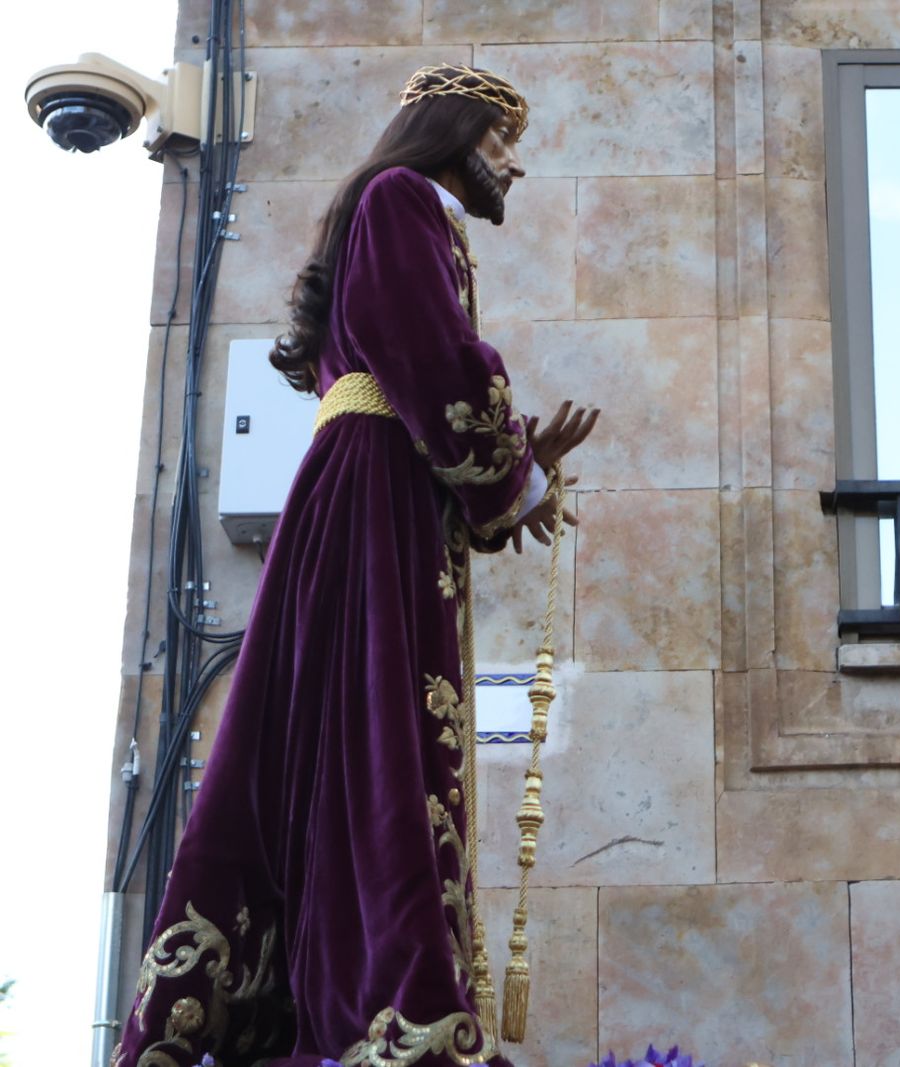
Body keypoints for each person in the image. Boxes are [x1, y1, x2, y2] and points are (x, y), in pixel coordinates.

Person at [114, 64, 596, 1067]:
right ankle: (398, 1004)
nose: (515, 162)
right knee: (384, 743)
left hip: (379, 495)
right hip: (375, 496)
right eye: (501, 136)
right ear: (451, 131)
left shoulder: (395, 212)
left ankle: (353, 994)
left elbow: (432, 373)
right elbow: (434, 359)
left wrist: (511, 471)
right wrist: (513, 473)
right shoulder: (398, 199)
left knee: (349, 745)